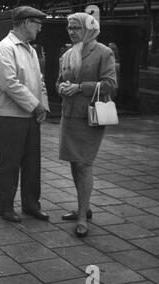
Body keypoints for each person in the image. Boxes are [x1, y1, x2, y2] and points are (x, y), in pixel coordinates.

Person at [56, 13, 117, 237]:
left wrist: (80, 87)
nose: (71, 31)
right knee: (75, 162)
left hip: (90, 118)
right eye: (69, 27)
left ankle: (82, 216)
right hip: (69, 116)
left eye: (76, 27)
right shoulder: (67, 54)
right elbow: (59, 81)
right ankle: (85, 207)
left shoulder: (103, 52)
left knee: (84, 164)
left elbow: (110, 84)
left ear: (89, 29)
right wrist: (61, 88)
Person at [0, 6, 50, 223]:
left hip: (30, 114)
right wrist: (36, 106)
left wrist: (43, 105)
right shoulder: (4, 48)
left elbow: (39, 80)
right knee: (8, 163)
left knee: (32, 163)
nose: (40, 29)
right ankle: (5, 207)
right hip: (8, 115)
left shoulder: (30, 50)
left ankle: (31, 205)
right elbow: (9, 84)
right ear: (26, 23)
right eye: (38, 24)